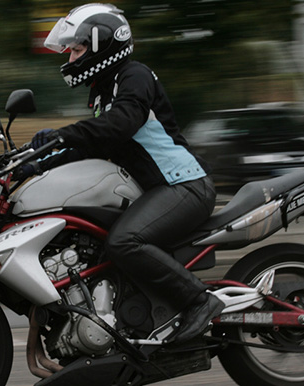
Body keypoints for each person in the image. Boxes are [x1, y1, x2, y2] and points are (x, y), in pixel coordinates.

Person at [28, 3, 224, 344]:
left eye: (77, 49)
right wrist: (35, 165)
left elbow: (121, 124)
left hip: (184, 186)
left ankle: (200, 301)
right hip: (157, 191)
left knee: (124, 241)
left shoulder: (134, 76)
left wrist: (64, 133)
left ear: (102, 44)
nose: (71, 58)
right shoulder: (103, 93)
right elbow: (92, 146)